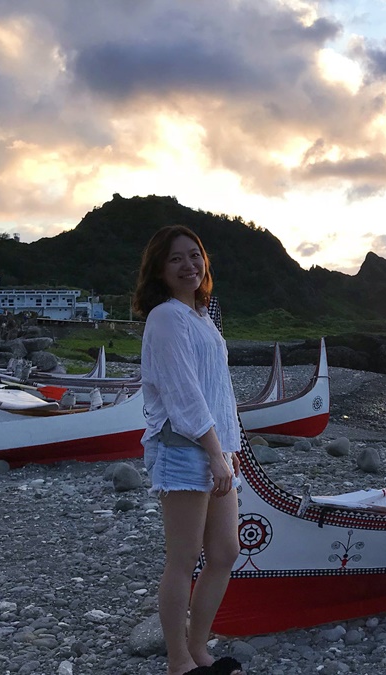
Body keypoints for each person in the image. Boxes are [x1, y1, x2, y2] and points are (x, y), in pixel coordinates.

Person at [132, 225, 244, 675]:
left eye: (194, 255)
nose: (189, 265)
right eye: (176, 258)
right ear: (160, 268)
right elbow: (184, 394)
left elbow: (219, 391)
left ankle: (198, 647)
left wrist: (229, 449)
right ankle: (178, 661)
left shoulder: (200, 316)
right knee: (182, 559)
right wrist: (216, 453)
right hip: (185, 447)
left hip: (217, 448)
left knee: (225, 552)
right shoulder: (165, 317)